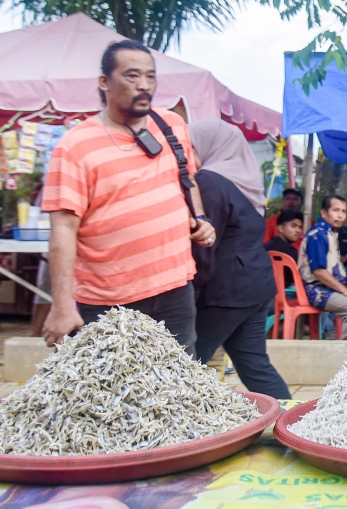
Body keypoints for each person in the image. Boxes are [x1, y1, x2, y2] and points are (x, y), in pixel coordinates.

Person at [40, 41, 216, 353]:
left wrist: (199, 218)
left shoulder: (171, 125)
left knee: (180, 390)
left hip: (175, 289)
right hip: (108, 300)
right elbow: (63, 228)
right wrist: (62, 306)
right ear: (104, 82)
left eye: (151, 77)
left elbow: (186, 179)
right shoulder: (74, 146)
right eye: (132, 77)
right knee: (110, 394)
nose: (144, 86)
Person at [188, 119, 290, 400]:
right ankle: (293, 422)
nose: (185, 157)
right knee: (255, 366)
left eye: (190, 148)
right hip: (255, 287)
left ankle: (183, 434)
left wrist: (191, 295)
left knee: (184, 363)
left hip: (226, 291)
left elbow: (206, 245)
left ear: (208, 147)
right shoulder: (246, 182)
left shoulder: (208, 182)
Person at [299, 196, 347, 356]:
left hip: (326, 288)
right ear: (324, 213)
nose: (340, 215)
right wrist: (345, 291)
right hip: (316, 290)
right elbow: (319, 271)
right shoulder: (318, 235)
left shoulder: (329, 233)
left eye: (343, 211)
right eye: (336, 210)